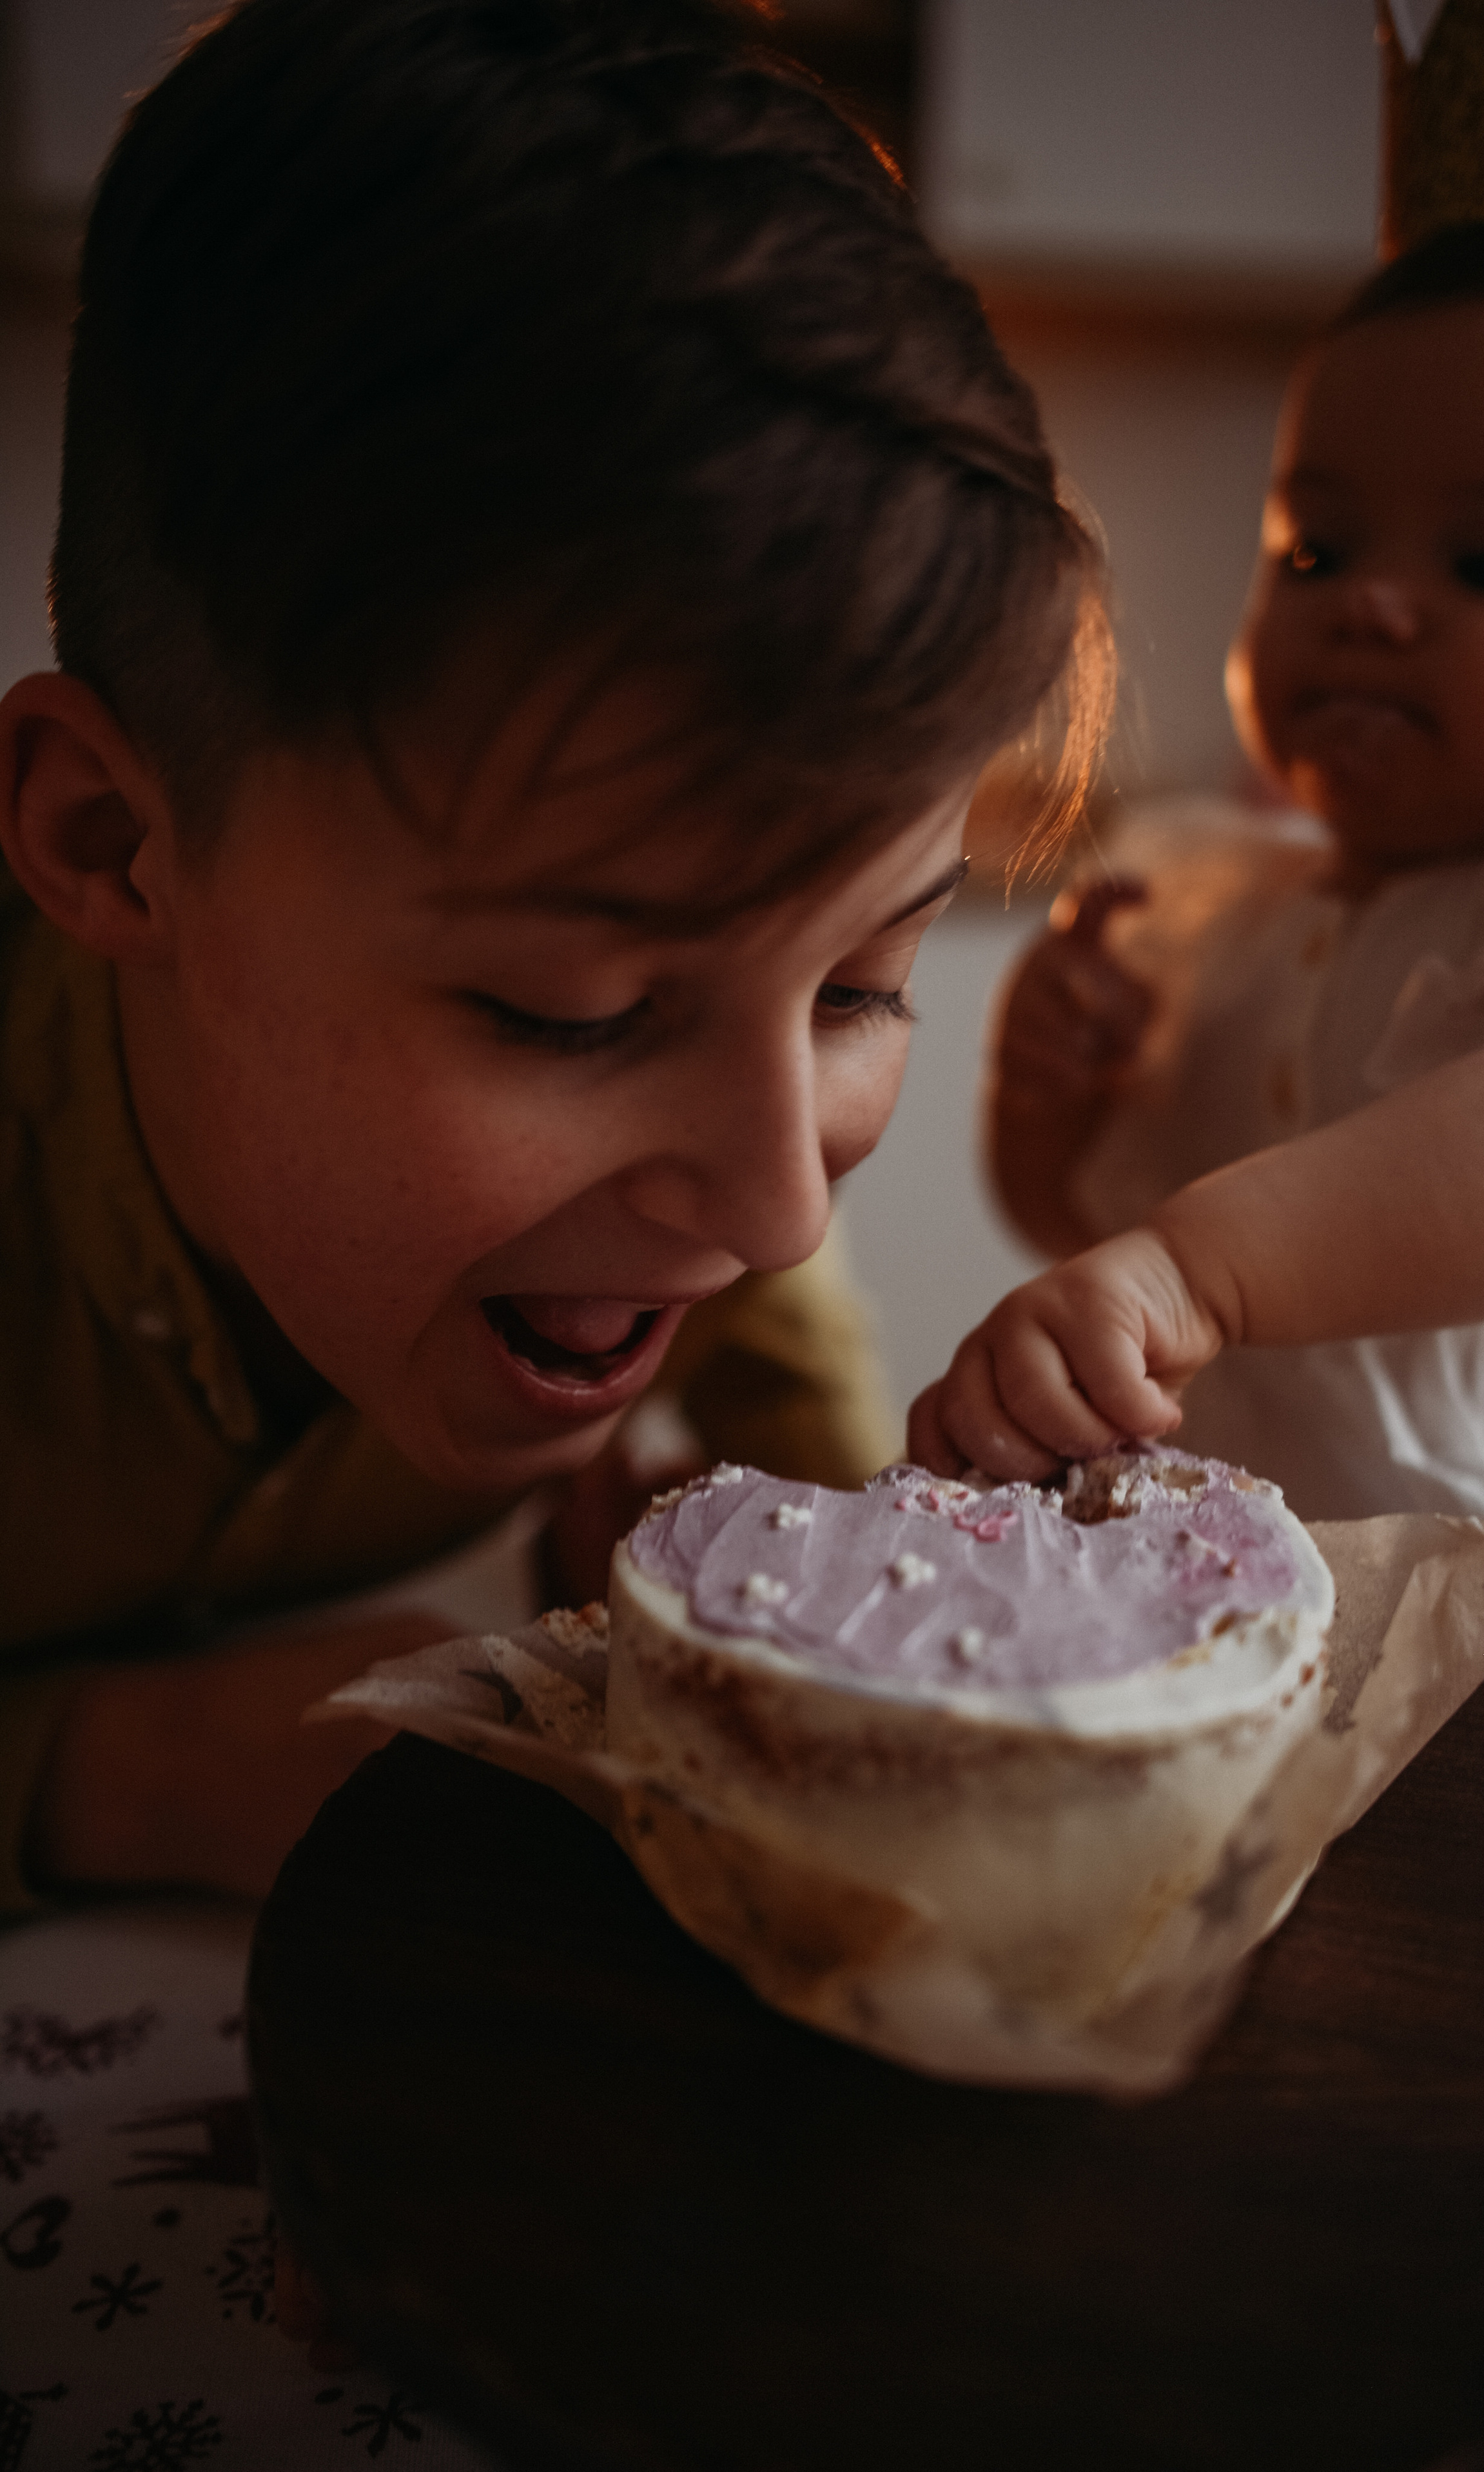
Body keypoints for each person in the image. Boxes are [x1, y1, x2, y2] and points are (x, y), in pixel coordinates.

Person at [0, 0, 1106, 1910]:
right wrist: (130, 1772)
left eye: (862, 987)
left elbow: (798, 1375)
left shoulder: (687, 1212)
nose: (773, 1208)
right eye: (573, 1016)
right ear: (111, 845)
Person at [911, 216, 1484, 1765]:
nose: (1367, 604)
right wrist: (1047, 1117)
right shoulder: (1210, 894)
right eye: (1314, 548)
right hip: (1229, 1611)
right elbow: (1091, 1242)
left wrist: (1187, 1272)